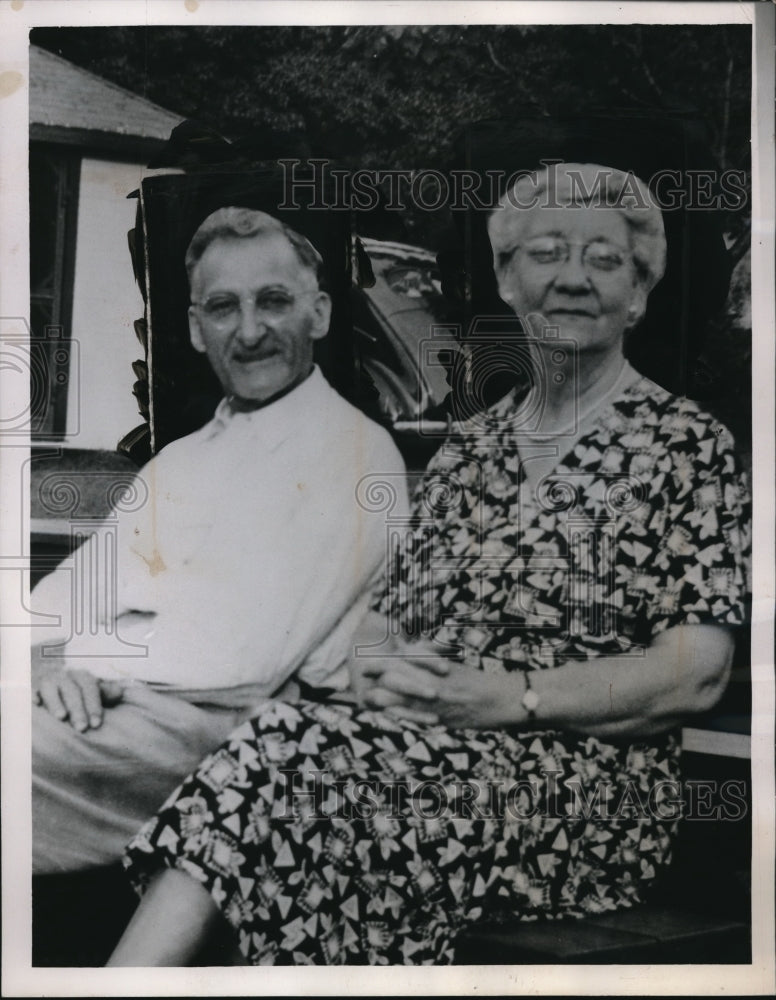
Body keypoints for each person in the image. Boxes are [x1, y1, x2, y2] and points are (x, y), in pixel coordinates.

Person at [108, 163, 750, 966]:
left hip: (584, 794)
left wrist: (513, 698)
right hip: (422, 757)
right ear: (510, 283)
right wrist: (382, 669)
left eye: (605, 259)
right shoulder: (470, 452)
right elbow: (387, 620)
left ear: (639, 294)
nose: (574, 279)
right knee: (291, 762)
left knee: (300, 770)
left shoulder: (685, 445)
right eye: (548, 253)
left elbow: (696, 671)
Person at [32, 207, 408, 873]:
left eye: (273, 301)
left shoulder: (354, 453)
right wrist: (49, 669)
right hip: (136, 708)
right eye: (223, 307)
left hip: (246, 742)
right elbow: (67, 594)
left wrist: (87, 663)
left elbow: (238, 655)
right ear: (196, 330)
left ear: (318, 314)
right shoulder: (180, 461)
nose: (251, 330)